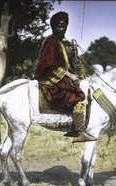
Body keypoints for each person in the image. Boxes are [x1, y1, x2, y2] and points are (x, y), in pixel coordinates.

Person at [33, 11, 97, 142]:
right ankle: (79, 131)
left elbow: (64, 64)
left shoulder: (59, 43)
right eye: (59, 26)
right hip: (51, 77)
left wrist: (73, 58)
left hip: (58, 75)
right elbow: (52, 66)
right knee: (78, 96)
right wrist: (70, 76)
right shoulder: (51, 41)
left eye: (64, 27)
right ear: (54, 27)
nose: (62, 29)